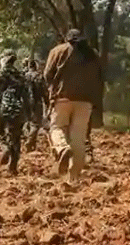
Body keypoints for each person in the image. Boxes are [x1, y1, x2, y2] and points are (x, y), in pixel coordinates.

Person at [44, 29, 103, 181]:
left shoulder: (58, 51)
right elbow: (100, 78)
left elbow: (47, 74)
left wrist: (52, 91)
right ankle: (73, 178)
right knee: (79, 140)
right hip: (85, 102)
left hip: (62, 98)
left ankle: (62, 148)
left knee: (57, 128)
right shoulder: (92, 54)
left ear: (67, 39)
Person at [0, 50, 31, 175]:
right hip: (17, 110)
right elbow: (26, 97)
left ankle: (5, 148)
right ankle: (13, 166)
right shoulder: (21, 76)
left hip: (0, 109)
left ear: (4, 59)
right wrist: (28, 114)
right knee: (16, 137)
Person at [24, 59, 49, 152]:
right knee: (36, 124)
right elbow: (44, 91)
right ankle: (29, 141)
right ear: (35, 66)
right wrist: (47, 102)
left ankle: (32, 145)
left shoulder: (24, 76)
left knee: (29, 123)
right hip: (36, 102)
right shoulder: (39, 76)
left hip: (25, 102)